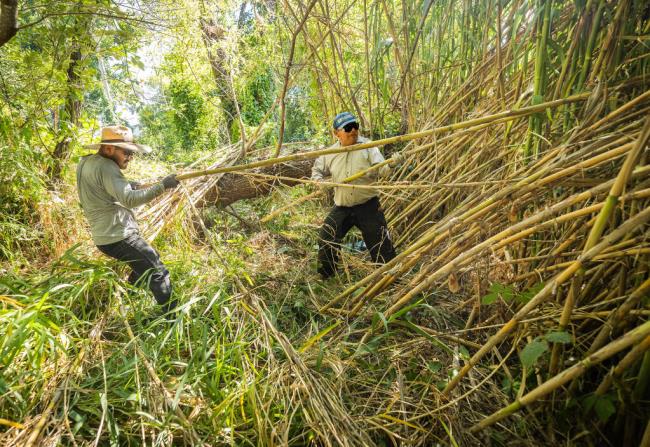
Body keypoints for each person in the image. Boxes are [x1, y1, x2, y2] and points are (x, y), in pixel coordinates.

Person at [76, 125, 180, 314]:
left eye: (132, 153)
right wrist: (163, 186)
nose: (130, 158)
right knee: (158, 271)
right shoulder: (107, 166)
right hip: (119, 236)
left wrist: (126, 185)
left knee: (144, 264)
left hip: (104, 237)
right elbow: (130, 200)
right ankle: (173, 319)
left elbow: (97, 192)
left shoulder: (86, 162)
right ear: (109, 149)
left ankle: (128, 302)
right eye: (126, 152)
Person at [311, 112, 397, 279]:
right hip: (342, 207)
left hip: (368, 205)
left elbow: (382, 170)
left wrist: (391, 164)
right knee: (326, 238)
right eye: (348, 128)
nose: (353, 131)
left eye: (355, 126)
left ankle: (389, 277)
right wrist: (319, 181)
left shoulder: (368, 146)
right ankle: (326, 276)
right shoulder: (330, 153)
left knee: (380, 244)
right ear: (336, 133)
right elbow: (317, 170)